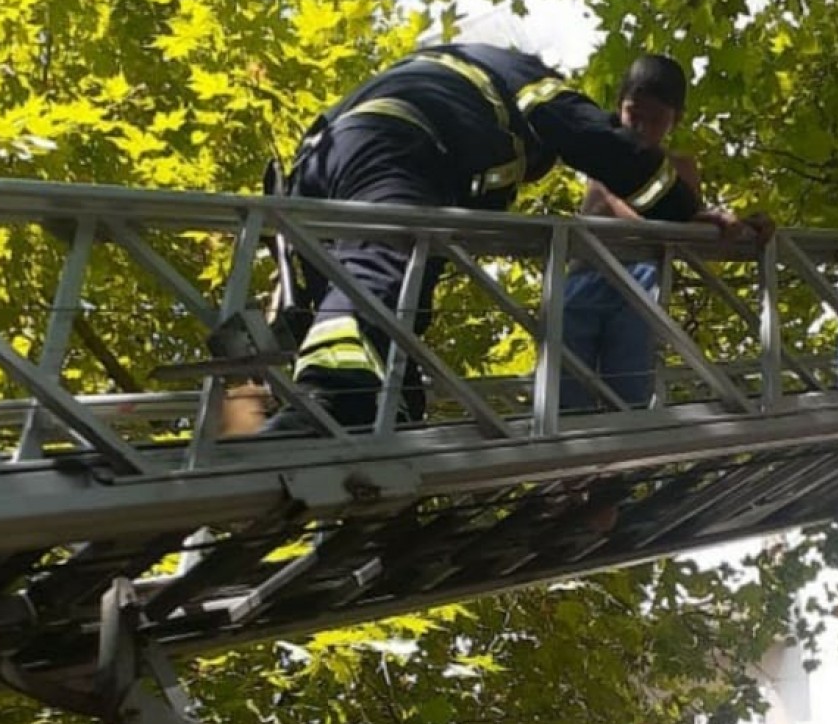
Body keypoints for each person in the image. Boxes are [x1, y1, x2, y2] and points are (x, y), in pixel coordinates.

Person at [258, 42, 708, 434]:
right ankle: (329, 402)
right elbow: (594, 140)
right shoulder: (529, 82)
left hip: (318, 166)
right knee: (380, 266)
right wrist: (689, 212)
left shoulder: (457, 80)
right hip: (393, 147)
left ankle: (384, 410)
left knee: (391, 300)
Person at [559, 54, 761, 412]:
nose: (641, 127)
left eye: (655, 120)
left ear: (675, 119)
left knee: (629, 393)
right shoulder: (606, 156)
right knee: (566, 392)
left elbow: (694, 226)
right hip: (586, 278)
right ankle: (565, 442)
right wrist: (678, 226)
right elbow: (624, 208)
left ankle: (628, 442)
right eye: (633, 114)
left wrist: (742, 226)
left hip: (640, 287)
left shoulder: (680, 168)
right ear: (619, 106)